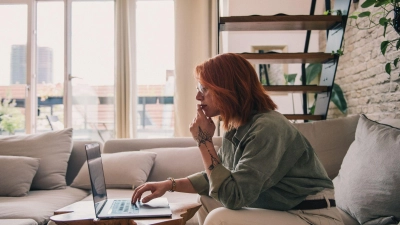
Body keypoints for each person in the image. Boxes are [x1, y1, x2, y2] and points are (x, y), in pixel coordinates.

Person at [132, 53, 344, 225]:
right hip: (285, 211)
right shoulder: (237, 128)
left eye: (204, 89)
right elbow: (217, 178)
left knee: (220, 217)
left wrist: (204, 141)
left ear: (228, 89)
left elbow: (233, 196)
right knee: (205, 200)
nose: (198, 97)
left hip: (313, 216)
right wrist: (168, 185)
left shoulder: (267, 129)